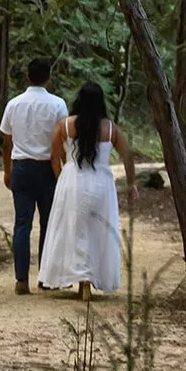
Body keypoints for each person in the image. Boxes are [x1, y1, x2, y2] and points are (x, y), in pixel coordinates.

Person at [39, 82, 136, 300]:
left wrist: (61, 178)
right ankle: (90, 277)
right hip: (101, 182)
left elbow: (54, 158)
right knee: (98, 229)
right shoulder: (111, 129)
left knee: (72, 228)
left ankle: (79, 278)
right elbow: (128, 156)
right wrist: (132, 184)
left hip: (73, 180)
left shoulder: (65, 126)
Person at [0, 58, 69, 295]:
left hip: (22, 168)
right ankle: (45, 277)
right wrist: (66, 169)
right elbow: (62, 141)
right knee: (49, 224)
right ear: (49, 77)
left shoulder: (14, 104)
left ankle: (21, 279)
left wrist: (8, 170)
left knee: (22, 224)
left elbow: (7, 144)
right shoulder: (58, 105)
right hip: (49, 170)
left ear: (27, 76)